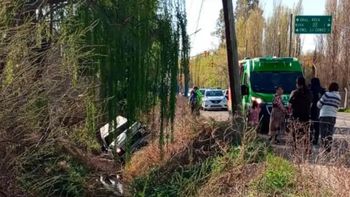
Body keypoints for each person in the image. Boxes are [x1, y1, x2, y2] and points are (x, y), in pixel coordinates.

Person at [289, 77, 312, 153]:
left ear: (297, 84)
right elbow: (311, 104)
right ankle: (306, 149)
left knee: (295, 133)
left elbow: (289, 104)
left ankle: (295, 149)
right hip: (306, 116)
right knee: (305, 133)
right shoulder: (309, 93)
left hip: (296, 116)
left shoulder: (294, 93)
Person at [317, 82, 341, 153]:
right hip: (333, 116)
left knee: (323, 133)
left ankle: (323, 148)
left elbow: (319, 104)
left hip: (324, 115)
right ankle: (328, 149)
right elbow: (338, 107)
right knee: (330, 133)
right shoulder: (339, 97)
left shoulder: (326, 94)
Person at [309, 78, 325, 145]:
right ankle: (316, 140)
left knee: (311, 125)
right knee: (317, 126)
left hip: (312, 109)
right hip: (320, 110)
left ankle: (310, 139)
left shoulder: (310, 89)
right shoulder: (322, 90)